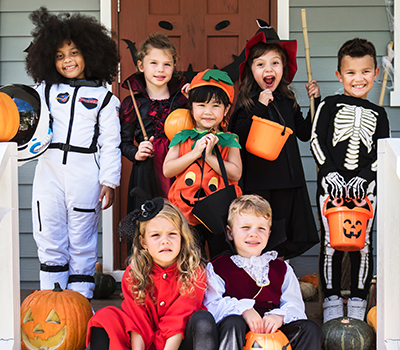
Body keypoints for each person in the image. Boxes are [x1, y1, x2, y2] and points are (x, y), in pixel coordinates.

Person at [85, 199, 219, 350]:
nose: (165, 240)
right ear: (144, 242)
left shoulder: (195, 272)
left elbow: (178, 321)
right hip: (144, 341)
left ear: (183, 237)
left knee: (203, 320)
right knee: (104, 317)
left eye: (172, 234)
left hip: (179, 345)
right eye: (156, 235)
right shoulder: (133, 273)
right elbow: (136, 322)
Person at [204, 195, 322, 350]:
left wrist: (279, 316)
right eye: (245, 228)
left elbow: (295, 306)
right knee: (231, 323)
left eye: (261, 228)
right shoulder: (218, 267)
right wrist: (245, 310)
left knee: (310, 329)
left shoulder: (280, 267)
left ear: (269, 233)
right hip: (237, 341)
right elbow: (212, 305)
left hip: (273, 336)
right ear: (230, 232)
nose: (253, 234)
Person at [24, 7, 121, 299]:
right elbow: (21, 111)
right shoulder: (44, 91)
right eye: (59, 55)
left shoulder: (104, 98)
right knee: (49, 232)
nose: (68, 60)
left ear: (90, 54)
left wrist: (110, 181)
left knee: (82, 238)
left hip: (85, 172)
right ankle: (51, 298)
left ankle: (79, 301)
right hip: (49, 169)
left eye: (75, 52)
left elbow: (110, 142)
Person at [310, 38, 390, 323]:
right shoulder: (329, 106)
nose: (359, 79)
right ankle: (331, 300)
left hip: (365, 189)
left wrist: (364, 176)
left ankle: (358, 301)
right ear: (339, 75)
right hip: (331, 187)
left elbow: (383, 151)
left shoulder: (379, 114)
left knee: (363, 244)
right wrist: (329, 171)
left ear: (376, 74)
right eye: (351, 73)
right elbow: (316, 140)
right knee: (330, 244)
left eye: (366, 72)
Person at [230, 22, 320, 260]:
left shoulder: (287, 101)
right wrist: (260, 106)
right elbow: (237, 136)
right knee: (261, 230)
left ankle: (279, 274)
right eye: (260, 64)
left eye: (274, 63)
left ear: (283, 68)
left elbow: (304, 132)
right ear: (251, 70)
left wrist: (315, 104)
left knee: (283, 235)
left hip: (288, 180)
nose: (268, 69)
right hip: (259, 181)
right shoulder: (247, 103)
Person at [164, 69, 242, 256]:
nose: (208, 112)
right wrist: (195, 153)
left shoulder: (229, 140)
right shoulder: (182, 136)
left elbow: (236, 173)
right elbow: (168, 170)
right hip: (186, 212)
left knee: (222, 256)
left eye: (216, 106)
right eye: (201, 105)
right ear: (191, 107)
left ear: (226, 109)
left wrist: (210, 157)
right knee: (191, 257)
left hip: (220, 212)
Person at [120, 33, 187, 211]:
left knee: (178, 214)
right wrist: (136, 152)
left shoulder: (182, 100)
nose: (160, 70)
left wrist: (194, 100)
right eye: (154, 63)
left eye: (167, 64)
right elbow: (123, 142)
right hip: (147, 169)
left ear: (174, 67)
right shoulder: (132, 103)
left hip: (179, 163)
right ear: (141, 66)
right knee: (149, 216)